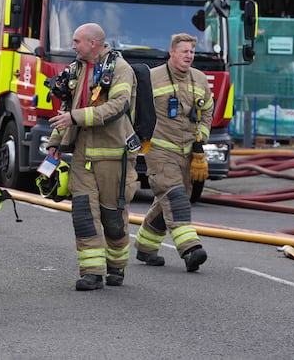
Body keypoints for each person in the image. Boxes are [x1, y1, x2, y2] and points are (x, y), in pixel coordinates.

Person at [47, 23, 138, 291]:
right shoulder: (76, 69)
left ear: (93, 43)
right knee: (84, 215)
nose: (72, 46)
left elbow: (117, 106)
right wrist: (55, 145)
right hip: (82, 158)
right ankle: (91, 272)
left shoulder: (121, 70)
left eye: (77, 41)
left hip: (114, 158)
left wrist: (76, 117)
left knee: (113, 218)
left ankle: (117, 266)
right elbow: (67, 108)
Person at [134, 33, 213, 272]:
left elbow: (208, 110)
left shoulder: (199, 79)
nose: (189, 56)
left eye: (192, 52)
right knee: (175, 197)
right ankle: (190, 249)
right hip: (159, 151)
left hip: (189, 153)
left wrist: (202, 138)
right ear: (172, 52)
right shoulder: (152, 78)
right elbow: (137, 110)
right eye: (184, 51)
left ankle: (145, 248)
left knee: (168, 200)